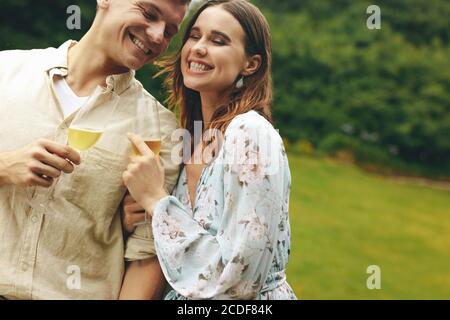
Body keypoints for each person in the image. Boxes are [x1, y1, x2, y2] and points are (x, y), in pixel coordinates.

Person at [0, 0, 190, 300]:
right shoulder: (5, 71)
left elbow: (146, 255)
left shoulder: (160, 130)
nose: (156, 37)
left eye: (169, 31)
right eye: (148, 13)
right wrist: (4, 167)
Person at [121, 0, 297, 299]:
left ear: (250, 64)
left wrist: (156, 201)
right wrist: (138, 218)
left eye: (218, 41)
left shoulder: (249, 133)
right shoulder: (193, 138)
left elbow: (239, 282)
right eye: (194, 36)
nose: (199, 48)